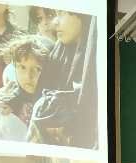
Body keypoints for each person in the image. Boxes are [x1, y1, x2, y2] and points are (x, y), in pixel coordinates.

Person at [29, 10, 97, 147]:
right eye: (55, 14)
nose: (55, 22)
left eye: (61, 13)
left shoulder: (97, 63)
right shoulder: (58, 54)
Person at [0, 36, 49, 125]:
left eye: (37, 69)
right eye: (22, 67)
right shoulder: (6, 97)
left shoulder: (51, 105)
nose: (28, 76)